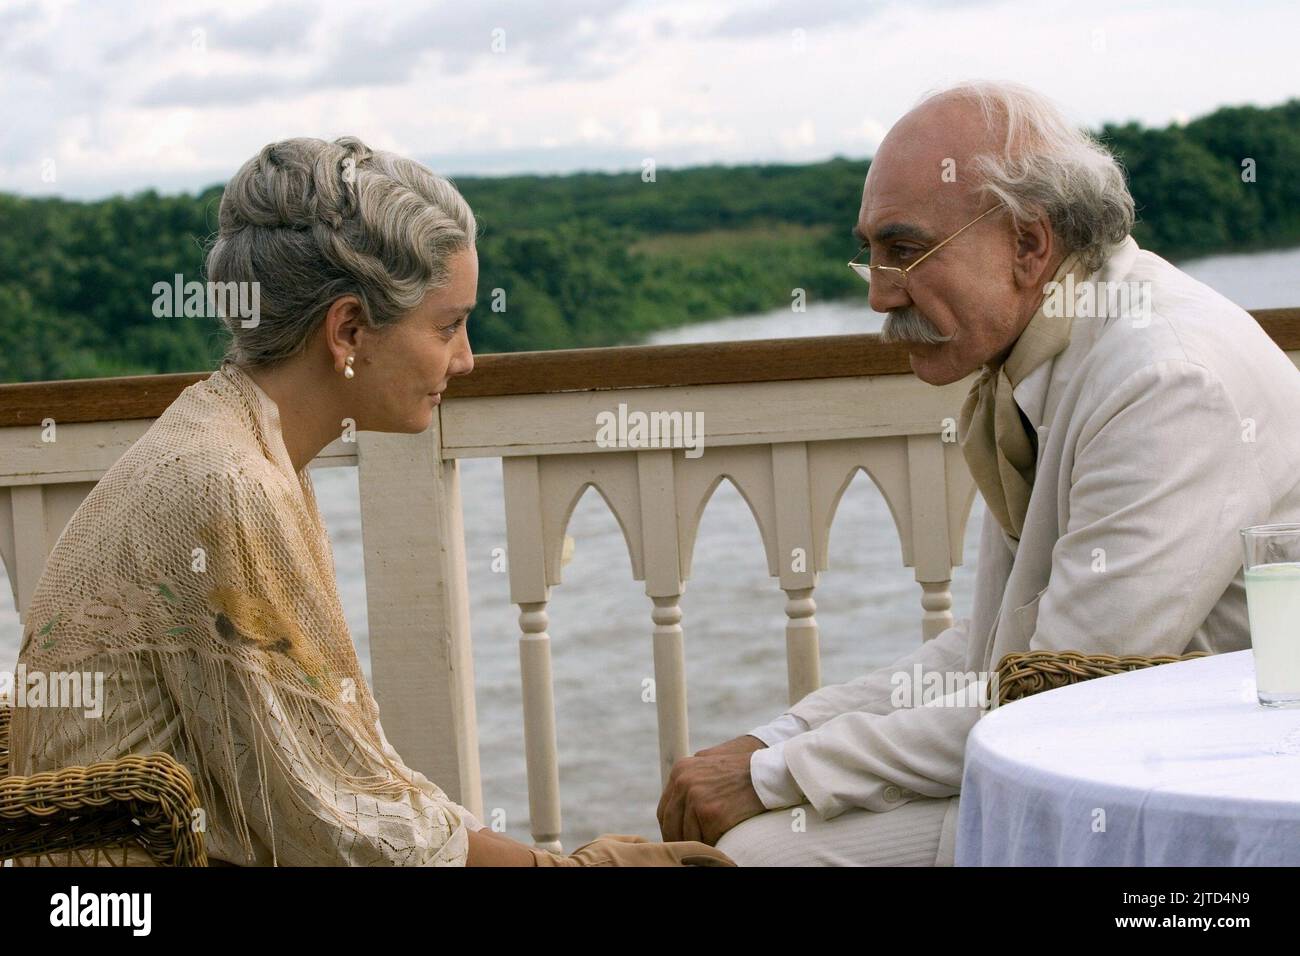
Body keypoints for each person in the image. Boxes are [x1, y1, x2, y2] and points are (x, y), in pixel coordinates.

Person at [10, 136, 732, 868]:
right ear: (349, 330)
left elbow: (338, 778)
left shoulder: (229, 438)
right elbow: (340, 824)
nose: (467, 359)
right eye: (448, 326)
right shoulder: (227, 485)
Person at [657, 80, 1300, 866]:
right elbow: (996, 652)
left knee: (757, 854)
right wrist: (781, 738)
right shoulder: (1055, 349)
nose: (880, 294)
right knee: (749, 843)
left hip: (1205, 806)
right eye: (870, 254)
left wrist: (776, 774)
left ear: (1029, 246)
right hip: (1115, 762)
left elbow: (1058, 693)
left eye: (904, 250)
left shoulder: (1167, 379)